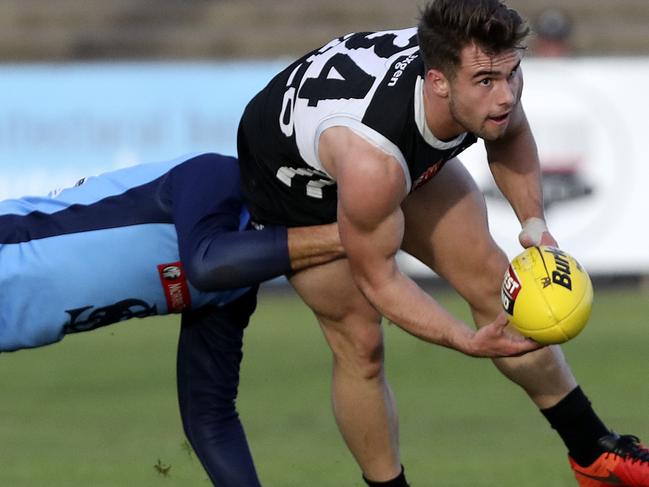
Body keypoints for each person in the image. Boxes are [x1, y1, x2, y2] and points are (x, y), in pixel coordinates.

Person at [236, 1, 649, 486]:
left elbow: (511, 134)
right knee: (361, 344)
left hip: (381, 146)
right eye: (486, 83)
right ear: (438, 82)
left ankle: (593, 453)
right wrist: (464, 338)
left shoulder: (486, 69)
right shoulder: (375, 162)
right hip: (297, 186)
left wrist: (535, 225)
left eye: (511, 75)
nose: (504, 96)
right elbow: (380, 279)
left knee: (500, 286)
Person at [0, 152, 344, 486]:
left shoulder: (234, 284)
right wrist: (345, 237)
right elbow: (206, 264)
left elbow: (209, 419)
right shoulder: (215, 175)